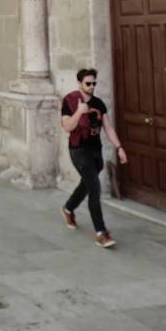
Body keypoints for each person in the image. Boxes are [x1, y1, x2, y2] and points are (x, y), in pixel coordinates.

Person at [60, 67, 127, 248]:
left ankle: (68, 208)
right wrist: (79, 112)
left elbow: (108, 127)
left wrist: (119, 148)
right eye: (88, 83)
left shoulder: (99, 103)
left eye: (94, 83)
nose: (91, 86)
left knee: (87, 183)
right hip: (78, 150)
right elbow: (67, 127)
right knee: (94, 188)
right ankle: (101, 233)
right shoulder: (70, 101)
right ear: (80, 84)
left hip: (95, 152)